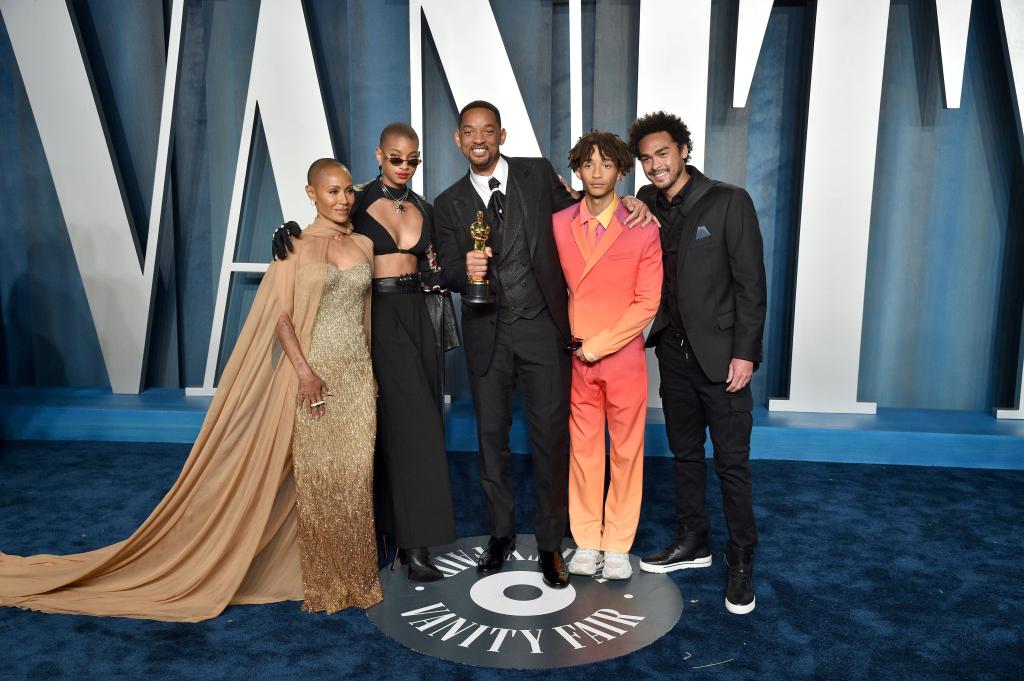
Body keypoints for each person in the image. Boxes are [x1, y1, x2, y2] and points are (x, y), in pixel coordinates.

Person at [0, 159, 382, 621]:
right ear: (311, 193)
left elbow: (366, 316)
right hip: (313, 376)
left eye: (348, 192)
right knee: (321, 478)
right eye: (333, 192)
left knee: (355, 477)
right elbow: (280, 318)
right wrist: (303, 372)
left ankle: (357, 577)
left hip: (356, 376)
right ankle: (325, 583)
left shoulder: (364, 244)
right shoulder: (295, 246)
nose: (342, 201)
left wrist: (371, 375)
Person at [432, 101, 654, 588]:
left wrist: (637, 201)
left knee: (550, 441)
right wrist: (459, 271)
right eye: (469, 132)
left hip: (543, 334)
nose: (479, 139)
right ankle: (500, 535)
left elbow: (588, 207)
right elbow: (444, 266)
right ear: (458, 140)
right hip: (486, 336)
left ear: (502, 136)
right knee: (491, 442)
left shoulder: (536, 175)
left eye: (488, 131)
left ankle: (552, 545)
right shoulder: (447, 203)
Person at [272, 124, 456, 582]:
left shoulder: (423, 207)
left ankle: (412, 541)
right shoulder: (354, 198)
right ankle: (397, 544)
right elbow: (322, 229)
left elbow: (436, 264)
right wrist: (287, 231)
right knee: (393, 429)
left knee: (423, 425)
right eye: (396, 158)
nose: (405, 166)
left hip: (422, 314)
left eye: (412, 159)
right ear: (379, 155)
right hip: (378, 315)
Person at [629, 112, 766, 615]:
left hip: (724, 356)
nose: (654, 165)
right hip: (674, 352)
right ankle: (693, 541)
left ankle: (742, 557)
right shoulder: (643, 203)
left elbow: (751, 283)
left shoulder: (729, 200)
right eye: (645, 159)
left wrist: (745, 352)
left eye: (662, 153)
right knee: (685, 455)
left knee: (731, 463)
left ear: (684, 150)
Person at [551, 131, 663, 581]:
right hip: (576, 360)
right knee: (583, 452)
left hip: (621, 358)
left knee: (626, 451)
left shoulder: (642, 226)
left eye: (607, 164)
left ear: (621, 171)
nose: (597, 172)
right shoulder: (559, 223)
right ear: (577, 170)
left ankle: (617, 544)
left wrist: (599, 345)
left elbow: (647, 302)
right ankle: (587, 540)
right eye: (588, 164)